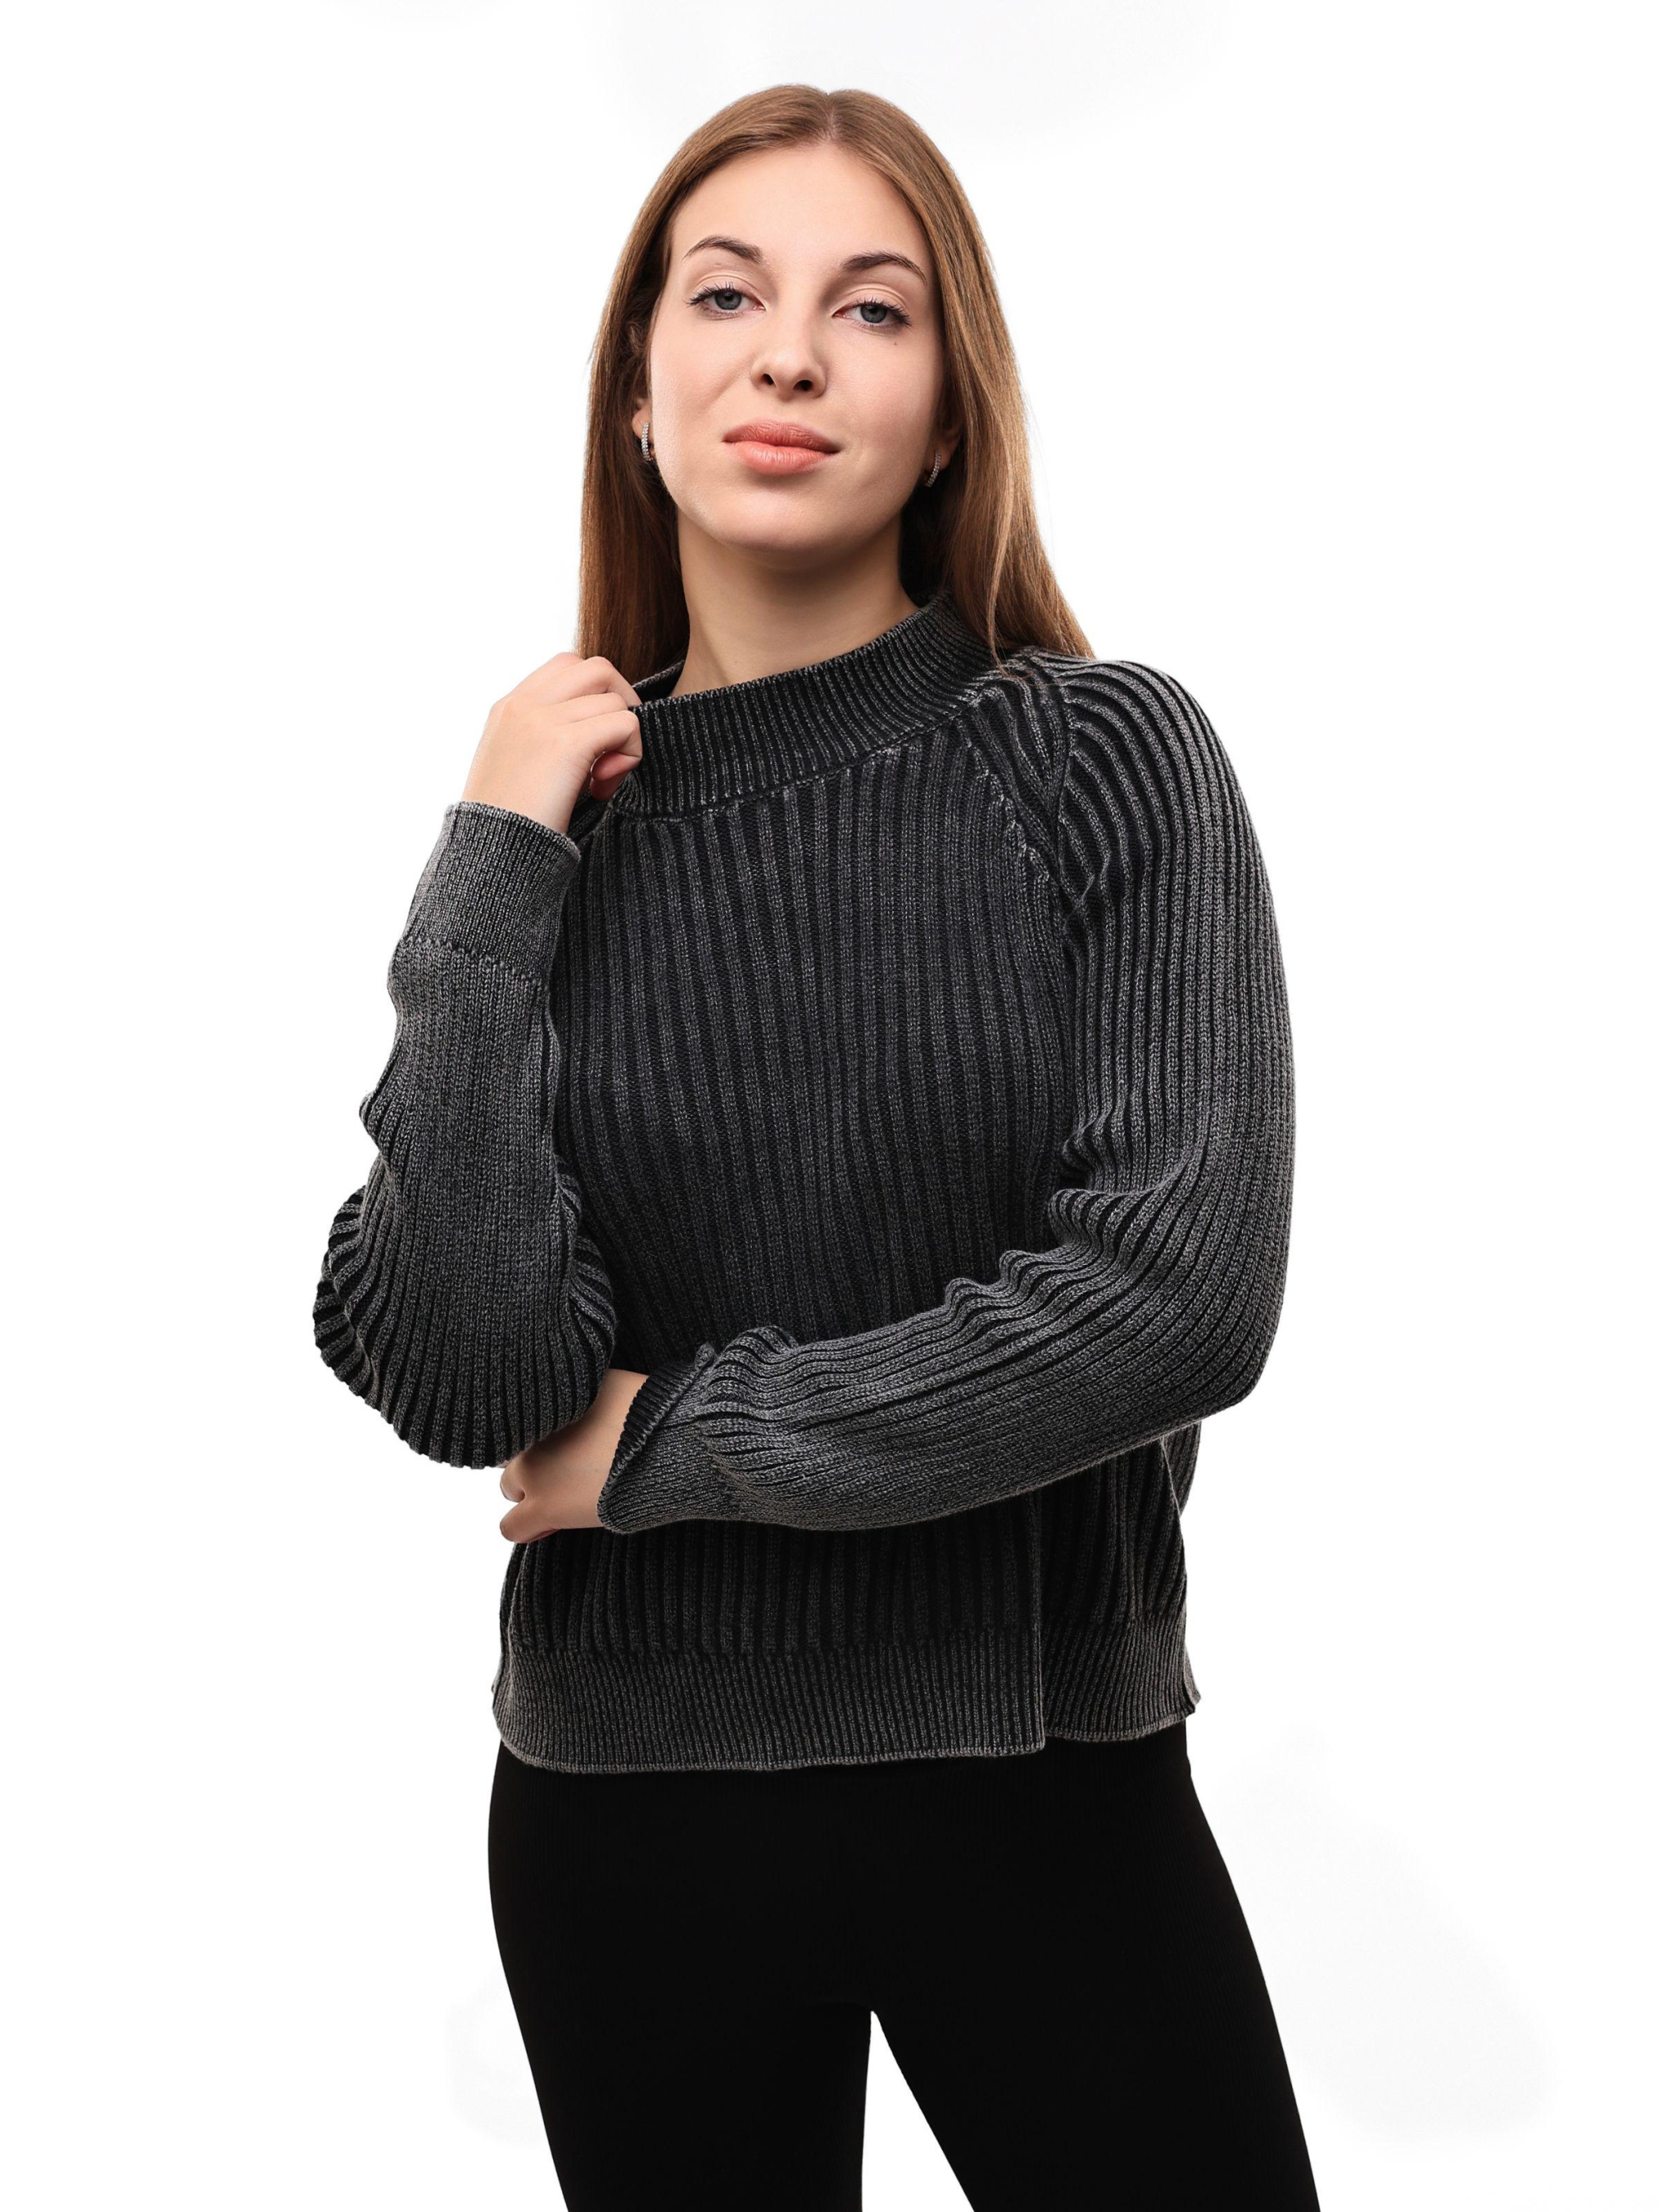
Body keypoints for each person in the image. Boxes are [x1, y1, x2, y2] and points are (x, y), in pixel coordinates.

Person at [313, 82, 1321, 2211]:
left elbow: (1177, 1295)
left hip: (1043, 1787)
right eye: (725, 296)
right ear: (637, 391)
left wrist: (677, 1440)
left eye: (870, 308)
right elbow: (471, 1376)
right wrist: (487, 863)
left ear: (948, 413)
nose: (788, 353)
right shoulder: (545, 850)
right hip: (624, 1818)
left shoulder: (1099, 759)